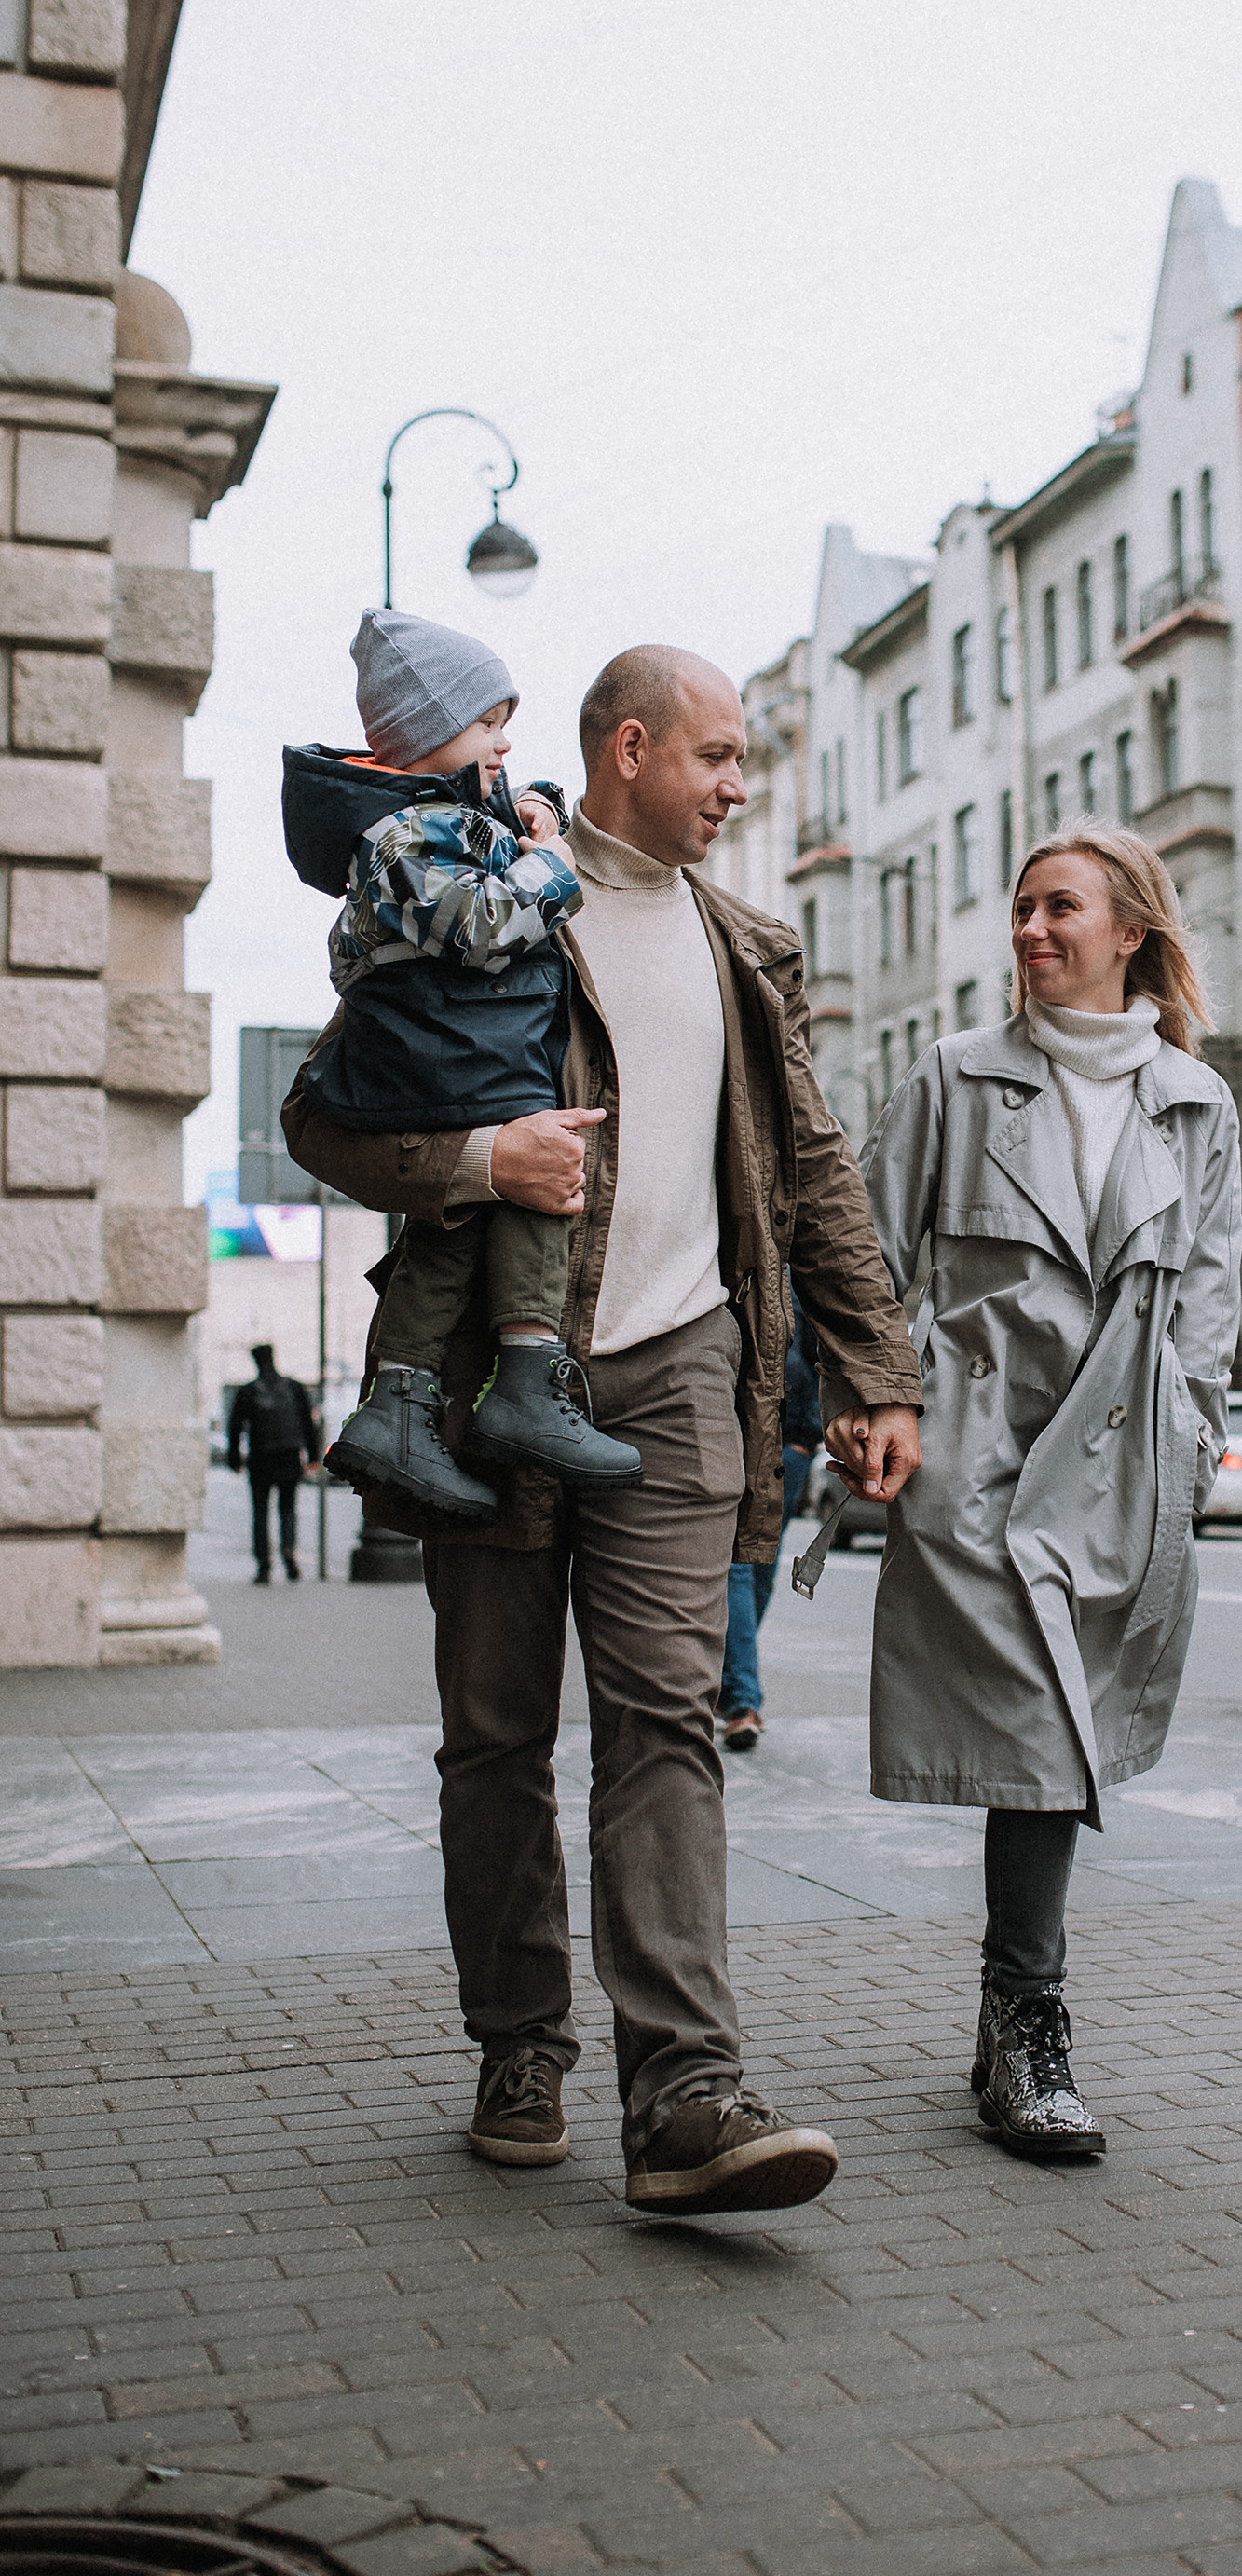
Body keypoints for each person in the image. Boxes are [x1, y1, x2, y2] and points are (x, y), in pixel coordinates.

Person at [282, 644, 922, 2218]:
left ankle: (686, 2088)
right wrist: (474, 1163)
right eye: (714, 755)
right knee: (497, 1733)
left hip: (685, 1378)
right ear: (626, 748)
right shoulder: (487, 899)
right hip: (513, 1387)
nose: (735, 786)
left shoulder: (744, 948)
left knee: (667, 1725)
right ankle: (517, 2043)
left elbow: (815, 1172)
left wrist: (874, 1371)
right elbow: (322, 1115)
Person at [856, 822, 1241, 2164]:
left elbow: (1207, 1288)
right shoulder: (955, 1076)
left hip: (1124, 1455)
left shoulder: (1195, 1097)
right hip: (981, 1451)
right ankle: (1031, 2014)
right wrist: (879, 1395)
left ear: (1129, 928)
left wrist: (1192, 1426)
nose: (1029, 930)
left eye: (1057, 907)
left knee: (1052, 1733)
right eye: (1020, 908)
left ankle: (1008, 2014)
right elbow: (864, 1248)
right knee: (1038, 1730)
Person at [282, 608, 642, 1520]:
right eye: (488, 722)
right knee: (531, 1177)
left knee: (468, 1219)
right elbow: (480, 925)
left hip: (460, 1058)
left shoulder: (438, 825)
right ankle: (518, 1377)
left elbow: (483, 860)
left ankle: (405, 1402)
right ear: (423, 733)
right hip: (448, 1063)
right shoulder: (397, 839)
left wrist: (528, 812)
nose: (506, 738)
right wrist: (554, 861)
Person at [718, 1284, 824, 1751]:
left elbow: (821, 1356)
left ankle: (727, 1683)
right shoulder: (733, 1268)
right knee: (738, 1565)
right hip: (739, 1436)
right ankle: (743, 1700)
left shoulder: (803, 1275)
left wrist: (807, 1435)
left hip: (791, 1443)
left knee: (763, 1569)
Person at [226, 1342, 320, 1583]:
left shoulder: (248, 1391)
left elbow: (235, 1427)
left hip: (260, 1457)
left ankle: (264, 1565)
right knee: (288, 1508)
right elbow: (309, 1424)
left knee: (260, 1511)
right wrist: (313, 1457)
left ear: (256, 1362)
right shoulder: (294, 1387)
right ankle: (289, 1550)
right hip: (289, 1455)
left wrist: (234, 1459)